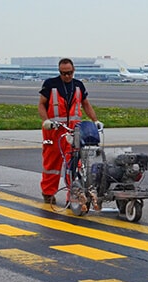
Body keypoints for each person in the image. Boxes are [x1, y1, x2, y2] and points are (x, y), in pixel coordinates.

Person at [39, 58, 102, 204]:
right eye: (63, 73)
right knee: (51, 164)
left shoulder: (78, 86)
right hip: (54, 131)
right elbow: (41, 104)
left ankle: (73, 196)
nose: (66, 76)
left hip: (74, 132)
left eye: (69, 73)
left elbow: (85, 104)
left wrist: (95, 120)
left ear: (73, 71)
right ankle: (48, 193)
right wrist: (46, 121)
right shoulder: (50, 84)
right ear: (59, 72)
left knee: (74, 165)